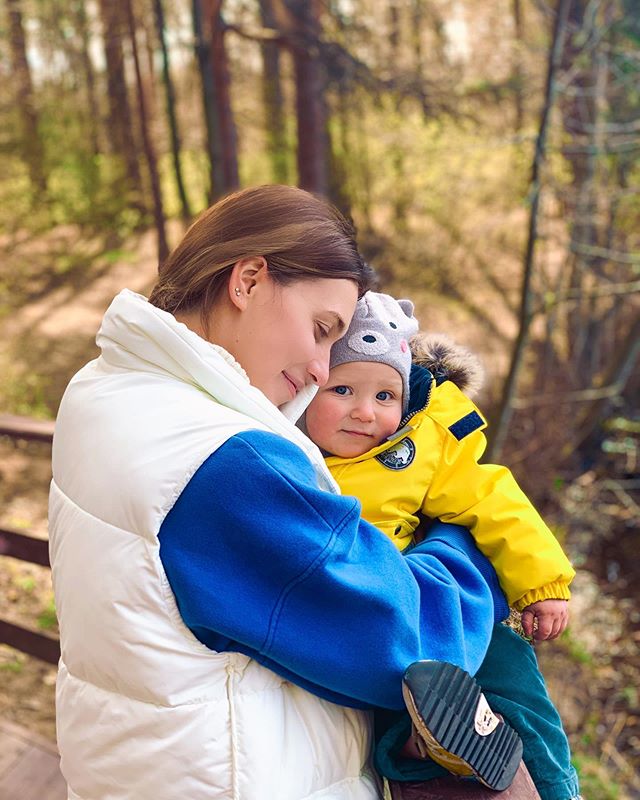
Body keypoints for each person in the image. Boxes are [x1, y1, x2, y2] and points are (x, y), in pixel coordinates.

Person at [49, 185, 515, 800]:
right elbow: (417, 642)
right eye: (322, 329)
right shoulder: (223, 463)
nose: (324, 370)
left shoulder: (105, 388)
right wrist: (463, 533)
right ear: (246, 281)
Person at [302, 290, 581, 800]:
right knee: (387, 710)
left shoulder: (420, 447)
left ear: (405, 399)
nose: (364, 412)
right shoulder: (288, 453)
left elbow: (491, 498)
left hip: (448, 608)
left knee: (517, 690)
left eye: (384, 397)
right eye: (342, 390)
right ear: (307, 385)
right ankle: (422, 750)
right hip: (380, 618)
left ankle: (557, 787)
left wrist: (542, 582)